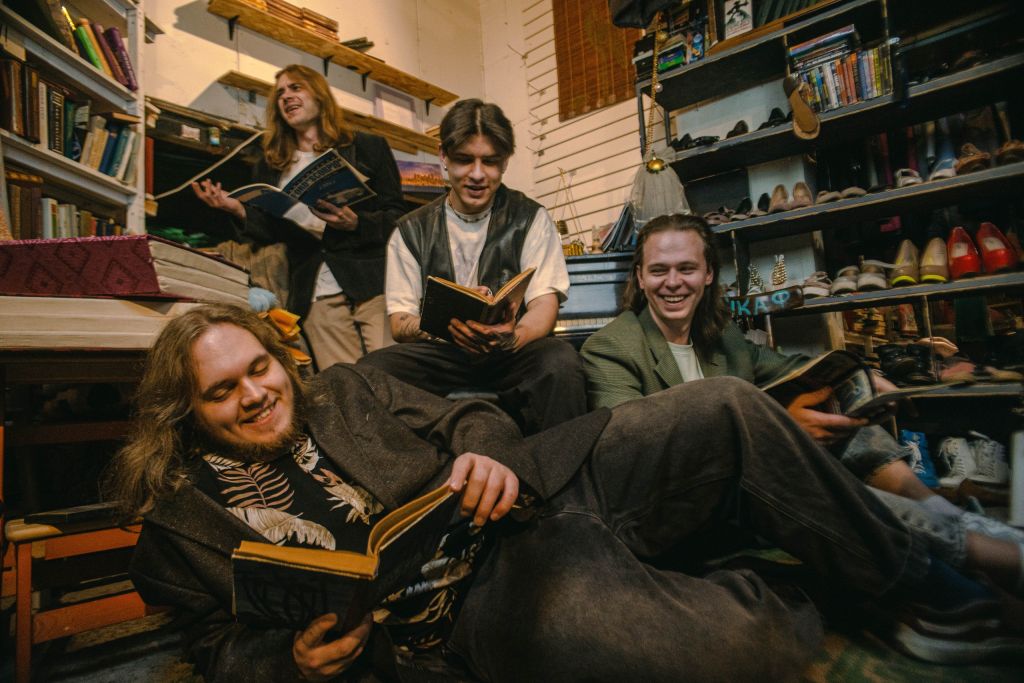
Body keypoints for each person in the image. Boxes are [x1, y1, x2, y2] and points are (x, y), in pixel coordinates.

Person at [109, 304, 1020, 681]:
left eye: (259, 367)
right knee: (729, 651)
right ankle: (770, 571)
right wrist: (289, 660)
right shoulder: (181, 526)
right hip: (484, 594)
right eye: (222, 391)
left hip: (539, 483)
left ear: (278, 358)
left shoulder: (343, 388)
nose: (255, 394)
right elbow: (208, 644)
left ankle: (917, 585)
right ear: (185, 411)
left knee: (725, 405)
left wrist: (488, 453)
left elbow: (469, 411)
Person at [580, 213, 1024, 594]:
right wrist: (777, 430)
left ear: (709, 274)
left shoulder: (721, 337)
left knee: (829, 402)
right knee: (811, 475)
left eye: (687, 268)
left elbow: (786, 367)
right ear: (640, 277)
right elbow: (633, 455)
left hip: (745, 487)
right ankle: (977, 553)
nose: (673, 282)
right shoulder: (611, 347)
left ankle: (940, 509)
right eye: (659, 270)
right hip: (676, 508)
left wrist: (856, 378)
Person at [357, 99, 584, 435]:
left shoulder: (531, 218)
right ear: (444, 156)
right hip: (441, 355)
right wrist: (444, 328)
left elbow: (544, 305)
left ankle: (562, 466)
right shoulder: (410, 230)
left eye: (489, 162)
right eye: (464, 160)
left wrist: (513, 337)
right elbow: (400, 322)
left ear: (505, 162)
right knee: (368, 374)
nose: (477, 175)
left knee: (561, 363)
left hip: (512, 352)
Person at [192, 64, 406, 370]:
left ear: (319, 95)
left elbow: (398, 217)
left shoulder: (367, 147)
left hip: (372, 280)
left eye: (295, 87)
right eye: (279, 93)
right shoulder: (271, 166)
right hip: (315, 288)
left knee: (393, 374)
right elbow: (271, 231)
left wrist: (357, 223)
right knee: (344, 382)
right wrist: (235, 208)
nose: (286, 96)